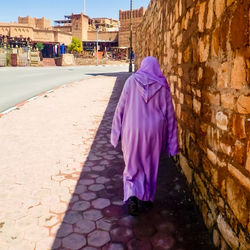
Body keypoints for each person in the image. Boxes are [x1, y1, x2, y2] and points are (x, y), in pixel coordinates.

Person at [111, 56, 178, 216]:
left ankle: (132, 195)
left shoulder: (131, 82)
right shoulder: (163, 86)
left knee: (132, 166)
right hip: (154, 134)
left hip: (132, 131)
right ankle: (146, 198)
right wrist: (173, 145)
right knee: (149, 166)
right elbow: (170, 116)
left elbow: (120, 108)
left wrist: (115, 133)